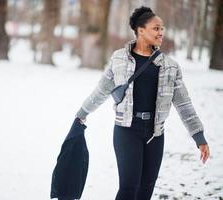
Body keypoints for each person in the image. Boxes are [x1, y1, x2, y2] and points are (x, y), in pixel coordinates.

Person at [74, 6, 210, 200]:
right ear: (140, 30)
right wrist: (82, 112)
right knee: (129, 188)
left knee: (146, 190)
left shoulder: (170, 66)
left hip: (155, 133)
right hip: (126, 130)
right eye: (156, 28)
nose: (161, 32)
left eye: (162, 28)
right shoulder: (119, 58)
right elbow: (102, 89)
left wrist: (199, 136)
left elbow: (184, 104)